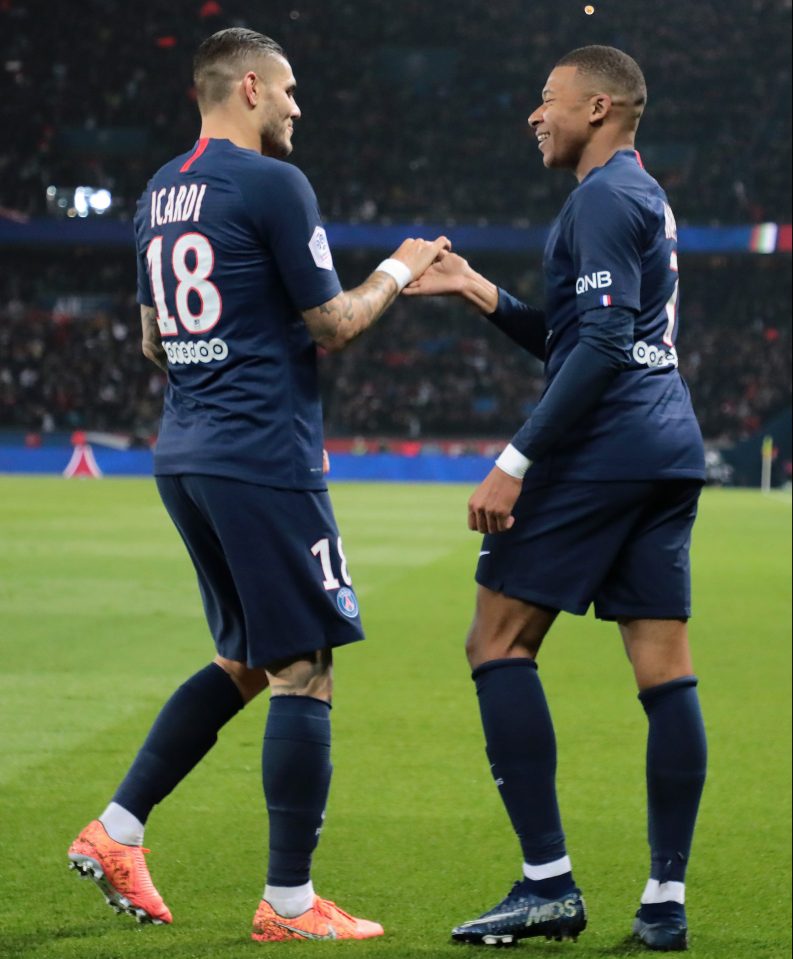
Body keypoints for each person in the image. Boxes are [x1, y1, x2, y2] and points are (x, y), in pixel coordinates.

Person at [67, 27, 449, 944]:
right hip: (262, 455)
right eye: (286, 91)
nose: (295, 107)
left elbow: (157, 338)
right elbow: (332, 324)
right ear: (247, 87)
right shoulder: (276, 184)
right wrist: (401, 268)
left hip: (185, 451)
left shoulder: (159, 191)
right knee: (304, 667)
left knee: (244, 657)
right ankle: (287, 904)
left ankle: (116, 831)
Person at [405, 45, 707, 952]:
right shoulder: (639, 195)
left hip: (603, 446)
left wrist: (514, 457)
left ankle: (546, 884)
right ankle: (663, 897)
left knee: (495, 640)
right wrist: (476, 289)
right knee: (664, 669)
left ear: (601, 106)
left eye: (549, 100)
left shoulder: (601, 199)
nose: (535, 115)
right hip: (664, 444)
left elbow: (600, 350)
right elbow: (576, 335)